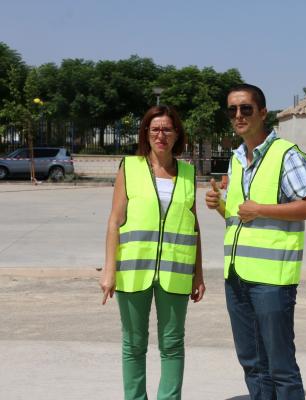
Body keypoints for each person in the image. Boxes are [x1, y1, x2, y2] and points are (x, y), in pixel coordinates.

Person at [205, 84, 306, 400]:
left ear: (262, 113)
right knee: (253, 364)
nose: (238, 115)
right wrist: (220, 205)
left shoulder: (286, 154)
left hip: (272, 280)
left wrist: (260, 209)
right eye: (232, 110)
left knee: (280, 366)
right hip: (237, 276)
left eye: (245, 108)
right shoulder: (237, 159)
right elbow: (240, 217)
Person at [100, 105, 205, 400]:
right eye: (155, 129)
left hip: (176, 272)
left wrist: (198, 273)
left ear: (176, 134)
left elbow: (193, 225)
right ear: (146, 132)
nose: (161, 135)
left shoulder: (187, 173)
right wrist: (109, 271)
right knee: (133, 344)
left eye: (167, 129)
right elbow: (115, 221)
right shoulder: (129, 168)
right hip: (133, 271)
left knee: (172, 345)